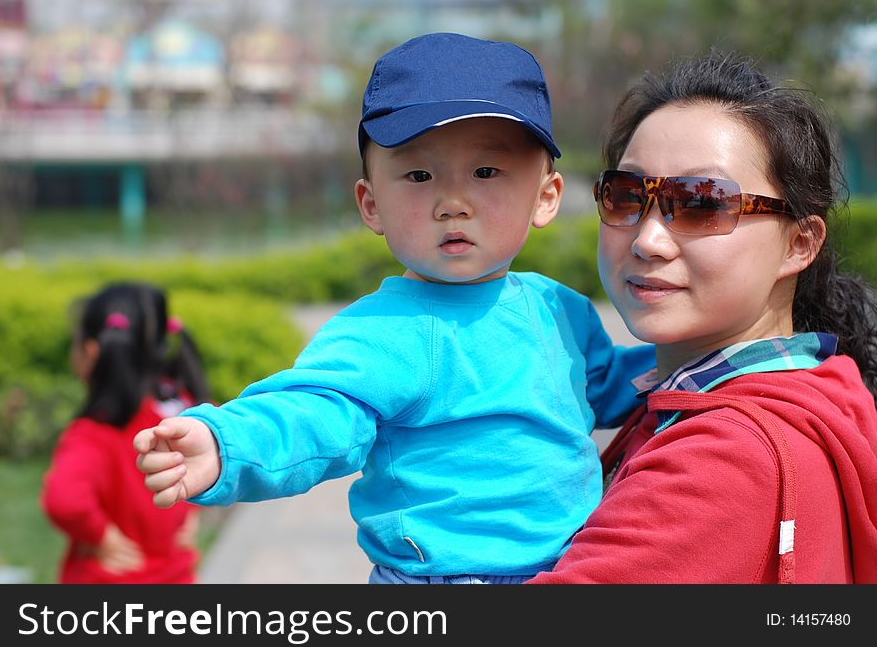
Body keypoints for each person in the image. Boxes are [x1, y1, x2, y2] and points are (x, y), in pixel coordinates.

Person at [133, 32, 655, 584]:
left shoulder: (556, 309)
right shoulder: (384, 332)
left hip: (573, 569)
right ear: (372, 203)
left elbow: (607, 382)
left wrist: (711, 359)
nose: (452, 202)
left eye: (486, 173)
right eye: (419, 175)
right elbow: (312, 411)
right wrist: (227, 443)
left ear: (545, 197)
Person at [528, 51, 877, 584]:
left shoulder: (722, 459)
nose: (647, 240)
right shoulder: (817, 386)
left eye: (703, 203)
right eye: (626, 197)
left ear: (798, 244)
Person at [42, 282, 210, 583]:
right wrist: (194, 510)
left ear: (91, 351)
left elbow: (64, 499)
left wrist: (102, 537)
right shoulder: (183, 413)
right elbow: (211, 459)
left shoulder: (94, 433)